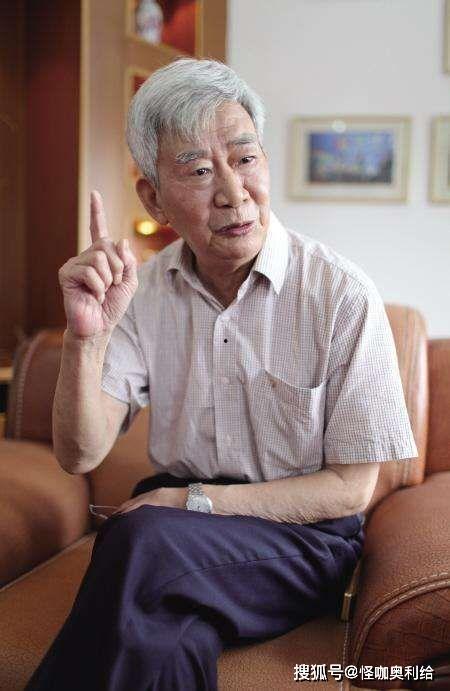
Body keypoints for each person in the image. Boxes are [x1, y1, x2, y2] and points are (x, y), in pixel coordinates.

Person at [25, 58, 418, 691]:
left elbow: (351, 489)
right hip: (176, 535)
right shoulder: (141, 291)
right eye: (200, 171)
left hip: (300, 540)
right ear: (153, 198)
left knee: (139, 539)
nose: (234, 193)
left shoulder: (341, 295)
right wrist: (86, 338)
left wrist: (188, 502)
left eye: (245, 159)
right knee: (163, 637)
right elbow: (80, 453)